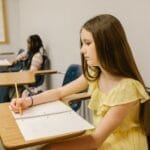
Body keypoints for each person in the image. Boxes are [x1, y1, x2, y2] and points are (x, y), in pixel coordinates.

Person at [10, 14, 149, 150]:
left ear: (107, 45)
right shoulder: (95, 73)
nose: (82, 50)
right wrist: (29, 101)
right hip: (99, 137)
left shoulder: (127, 88)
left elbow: (95, 140)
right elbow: (60, 92)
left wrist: (51, 147)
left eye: (87, 43)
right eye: (82, 43)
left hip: (121, 144)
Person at [0, 34, 44, 102]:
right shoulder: (29, 52)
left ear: (34, 44)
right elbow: (20, 56)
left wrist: (20, 72)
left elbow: (32, 72)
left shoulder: (37, 56)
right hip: (23, 74)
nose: (27, 45)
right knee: (3, 77)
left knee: (5, 82)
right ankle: (3, 100)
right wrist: (15, 60)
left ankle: (3, 101)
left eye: (29, 43)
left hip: (30, 78)